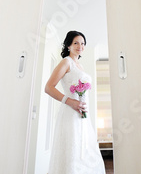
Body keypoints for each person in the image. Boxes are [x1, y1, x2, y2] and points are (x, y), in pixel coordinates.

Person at [45, 30, 106, 174]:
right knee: (72, 149)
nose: (80, 46)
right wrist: (69, 101)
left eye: (83, 43)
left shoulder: (80, 66)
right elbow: (48, 87)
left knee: (84, 149)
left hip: (83, 115)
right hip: (70, 114)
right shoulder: (66, 62)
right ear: (68, 46)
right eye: (76, 43)